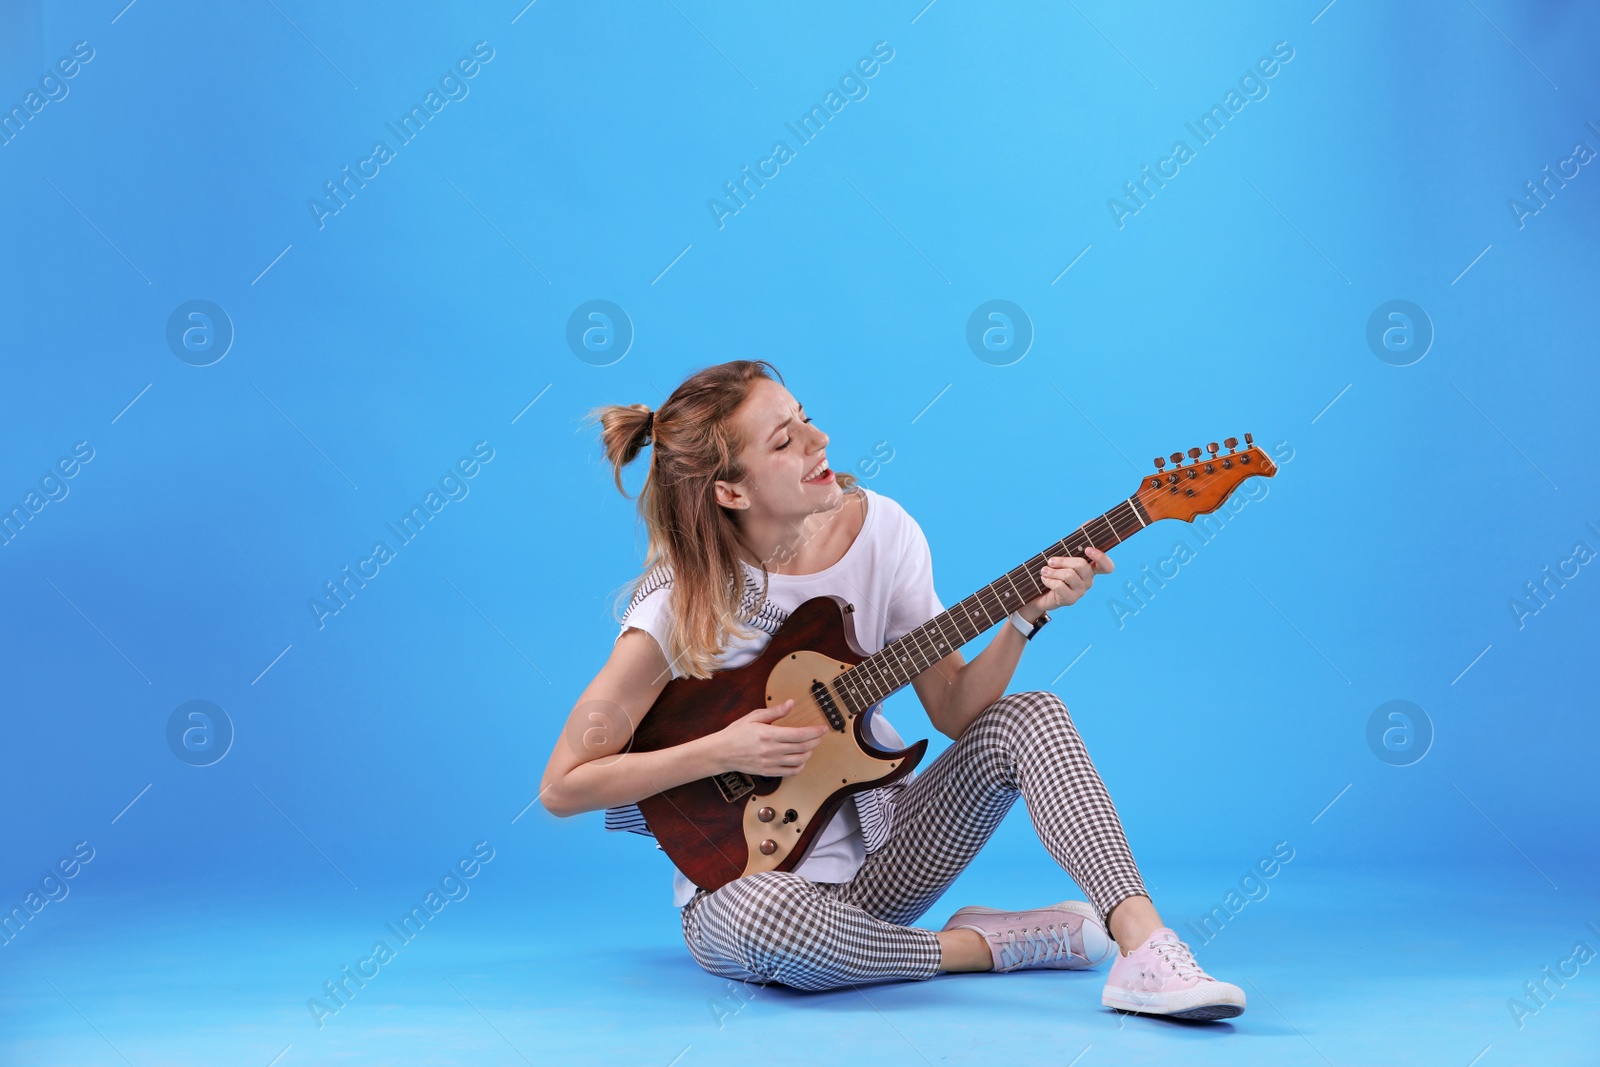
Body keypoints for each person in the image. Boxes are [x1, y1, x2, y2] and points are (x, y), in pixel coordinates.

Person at [540, 360, 1246, 1021]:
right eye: (786, 441)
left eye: (807, 418)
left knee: (1034, 714)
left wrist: (1024, 619)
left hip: (884, 863)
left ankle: (1144, 949)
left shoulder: (882, 532)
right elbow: (563, 786)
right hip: (744, 888)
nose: (821, 441)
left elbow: (953, 710)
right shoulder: (678, 606)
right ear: (731, 490)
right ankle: (983, 947)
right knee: (766, 920)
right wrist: (722, 748)